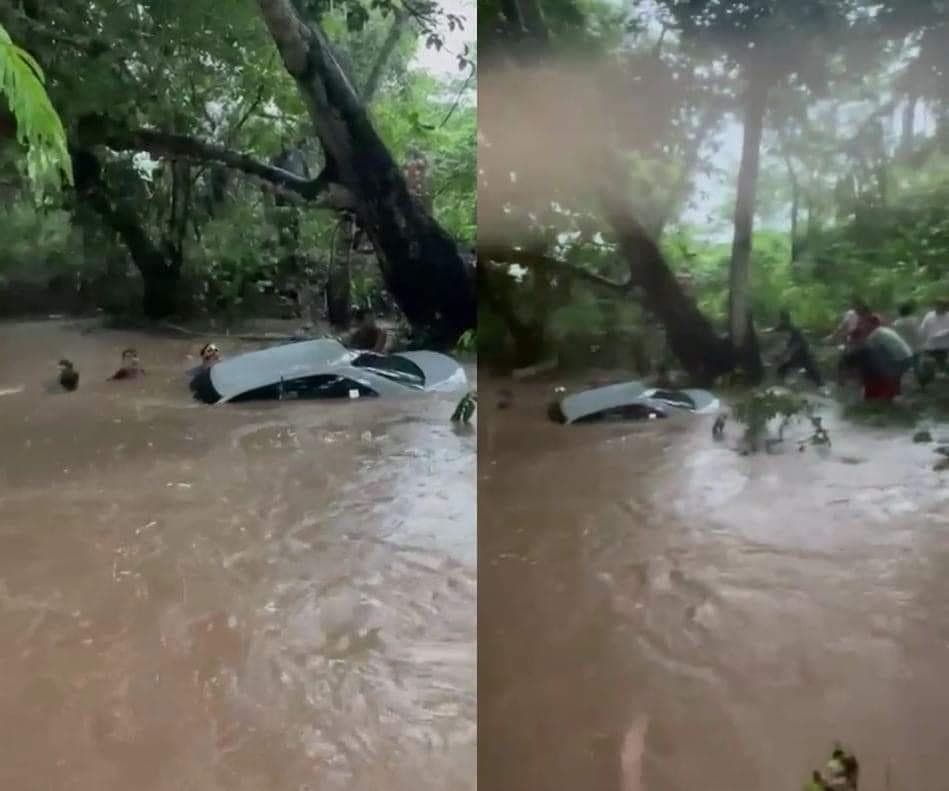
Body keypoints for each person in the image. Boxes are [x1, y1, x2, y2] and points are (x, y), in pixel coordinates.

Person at [840, 324, 913, 401]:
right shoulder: (875, 341)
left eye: (852, 342)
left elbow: (850, 364)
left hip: (884, 378)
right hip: (900, 366)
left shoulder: (864, 349)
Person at [774, 309, 824, 387]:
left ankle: (820, 384)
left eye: (779, 318)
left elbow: (797, 344)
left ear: (782, 319)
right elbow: (775, 329)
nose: (778, 320)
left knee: (808, 366)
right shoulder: (785, 325)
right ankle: (781, 382)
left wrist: (787, 354)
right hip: (797, 349)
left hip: (801, 349)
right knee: (783, 368)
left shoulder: (789, 327)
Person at [919, 298, 949, 371]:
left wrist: (945, 332)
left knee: (943, 366)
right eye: (938, 305)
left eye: (942, 306)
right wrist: (922, 343)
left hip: (944, 346)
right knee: (928, 368)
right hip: (930, 346)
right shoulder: (929, 316)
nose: (939, 308)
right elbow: (922, 330)